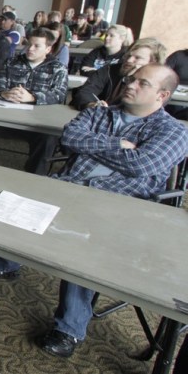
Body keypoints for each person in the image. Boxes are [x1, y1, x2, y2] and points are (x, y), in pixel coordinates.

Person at [38, 64, 188, 358]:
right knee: (12, 208)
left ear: (162, 95)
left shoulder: (174, 132)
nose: (130, 84)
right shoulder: (100, 112)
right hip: (69, 188)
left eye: (142, 83)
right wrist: (118, 144)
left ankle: (69, 328)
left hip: (120, 206)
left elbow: (141, 165)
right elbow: (70, 138)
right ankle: (4, 264)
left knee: (85, 246)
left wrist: (93, 147)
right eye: (131, 79)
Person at [0, 28, 68, 175]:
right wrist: (5, 93)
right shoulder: (12, 62)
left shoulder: (57, 68)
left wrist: (33, 97)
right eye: (29, 44)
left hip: (37, 122)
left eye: (37, 46)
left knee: (48, 139)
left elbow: (59, 95)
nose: (30, 49)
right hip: (6, 118)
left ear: (48, 49)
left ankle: (33, 176)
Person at [72, 38, 166, 111]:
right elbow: (85, 92)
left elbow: (132, 109)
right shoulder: (109, 69)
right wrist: (92, 105)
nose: (129, 60)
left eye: (137, 58)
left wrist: (129, 80)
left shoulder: (158, 86)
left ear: (153, 63)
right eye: (128, 55)